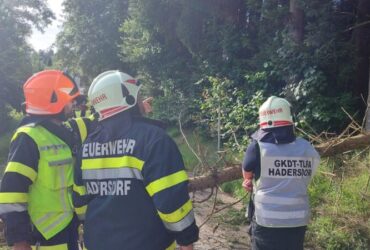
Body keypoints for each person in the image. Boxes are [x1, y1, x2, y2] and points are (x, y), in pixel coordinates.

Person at [73, 70, 199, 250]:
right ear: (129, 99)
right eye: (138, 96)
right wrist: (186, 240)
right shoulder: (154, 140)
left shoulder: (87, 146)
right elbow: (171, 200)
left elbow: (80, 201)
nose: (142, 102)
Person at [0, 70, 87, 250]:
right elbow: (11, 192)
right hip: (42, 237)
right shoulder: (28, 138)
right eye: (69, 99)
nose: (72, 104)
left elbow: (94, 122)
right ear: (53, 100)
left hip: (67, 231)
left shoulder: (65, 131)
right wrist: (19, 241)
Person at [241, 96, 320, 250]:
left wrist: (249, 181)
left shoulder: (256, 147)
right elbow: (308, 174)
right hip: (297, 222)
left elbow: (247, 176)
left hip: (266, 221)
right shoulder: (307, 148)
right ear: (290, 120)